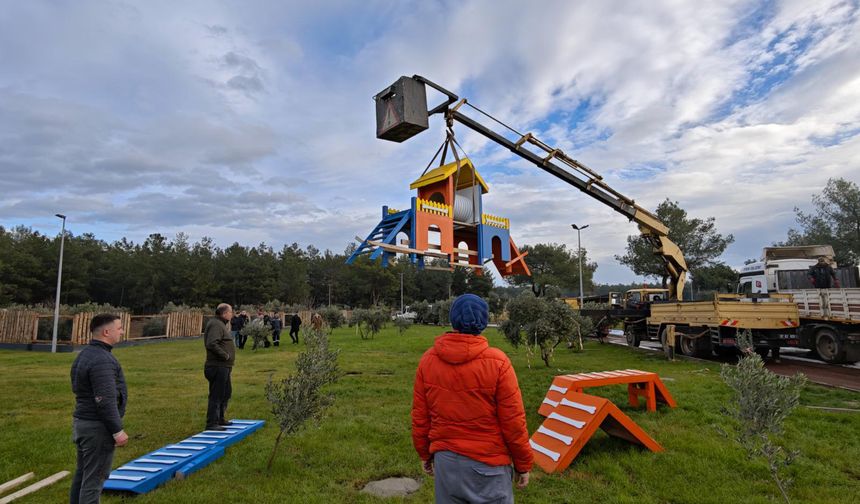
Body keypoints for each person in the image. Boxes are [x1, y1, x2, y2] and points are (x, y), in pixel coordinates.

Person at [412, 294, 532, 503]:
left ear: (453, 320)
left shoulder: (428, 360)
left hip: (446, 462)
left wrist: (424, 453)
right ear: (483, 323)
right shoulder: (499, 363)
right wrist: (523, 464)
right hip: (488, 465)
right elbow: (513, 422)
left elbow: (420, 416)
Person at [70, 313, 129, 504]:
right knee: (94, 480)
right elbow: (104, 400)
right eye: (119, 328)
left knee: (83, 474)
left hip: (83, 424)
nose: (121, 331)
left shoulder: (85, 355)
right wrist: (117, 431)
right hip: (97, 428)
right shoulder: (102, 360)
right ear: (106, 332)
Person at [204, 304, 236, 431]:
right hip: (217, 366)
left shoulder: (220, 324)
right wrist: (225, 355)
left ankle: (220, 419)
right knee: (216, 395)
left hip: (224, 367)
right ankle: (212, 423)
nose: (232, 314)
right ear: (224, 313)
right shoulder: (216, 324)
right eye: (230, 312)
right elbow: (211, 343)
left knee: (226, 393)